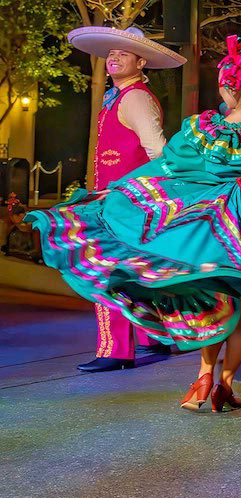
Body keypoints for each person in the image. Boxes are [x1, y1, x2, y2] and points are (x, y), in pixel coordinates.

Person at [28, 14, 241, 411]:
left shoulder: (205, 130)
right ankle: (225, 381)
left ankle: (205, 374)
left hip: (219, 220)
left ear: (227, 85)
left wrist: (118, 192)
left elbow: (168, 165)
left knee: (216, 293)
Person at [61, 24, 185, 373]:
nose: (113, 57)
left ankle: (114, 349)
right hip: (115, 201)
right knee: (131, 270)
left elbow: (158, 151)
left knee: (103, 270)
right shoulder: (120, 96)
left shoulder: (134, 97)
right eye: (111, 53)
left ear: (141, 61)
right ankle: (152, 337)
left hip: (123, 203)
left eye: (123, 53)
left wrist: (137, 192)